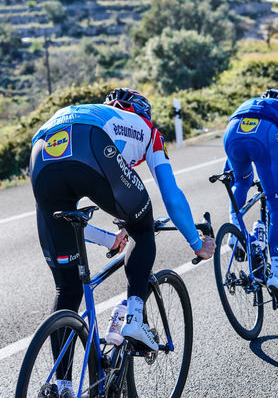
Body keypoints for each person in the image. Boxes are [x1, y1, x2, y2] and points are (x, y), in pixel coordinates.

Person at [29, 88, 215, 393]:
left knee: (68, 287)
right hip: (91, 143)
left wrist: (109, 240)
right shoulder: (148, 129)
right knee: (142, 227)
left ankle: (62, 386)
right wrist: (197, 243)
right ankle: (134, 318)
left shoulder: (97, 112)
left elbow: (64, 223)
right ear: (142, 113)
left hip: (42, 149)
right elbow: (171, 195)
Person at [223, 88, 278, 306]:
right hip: (264, 134)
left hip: (232, 131)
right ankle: (276, 275)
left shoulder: (250, 104)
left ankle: (236, 231)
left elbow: (228, 168)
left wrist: (234, 179)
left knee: (242, 182)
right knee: (277, 207)